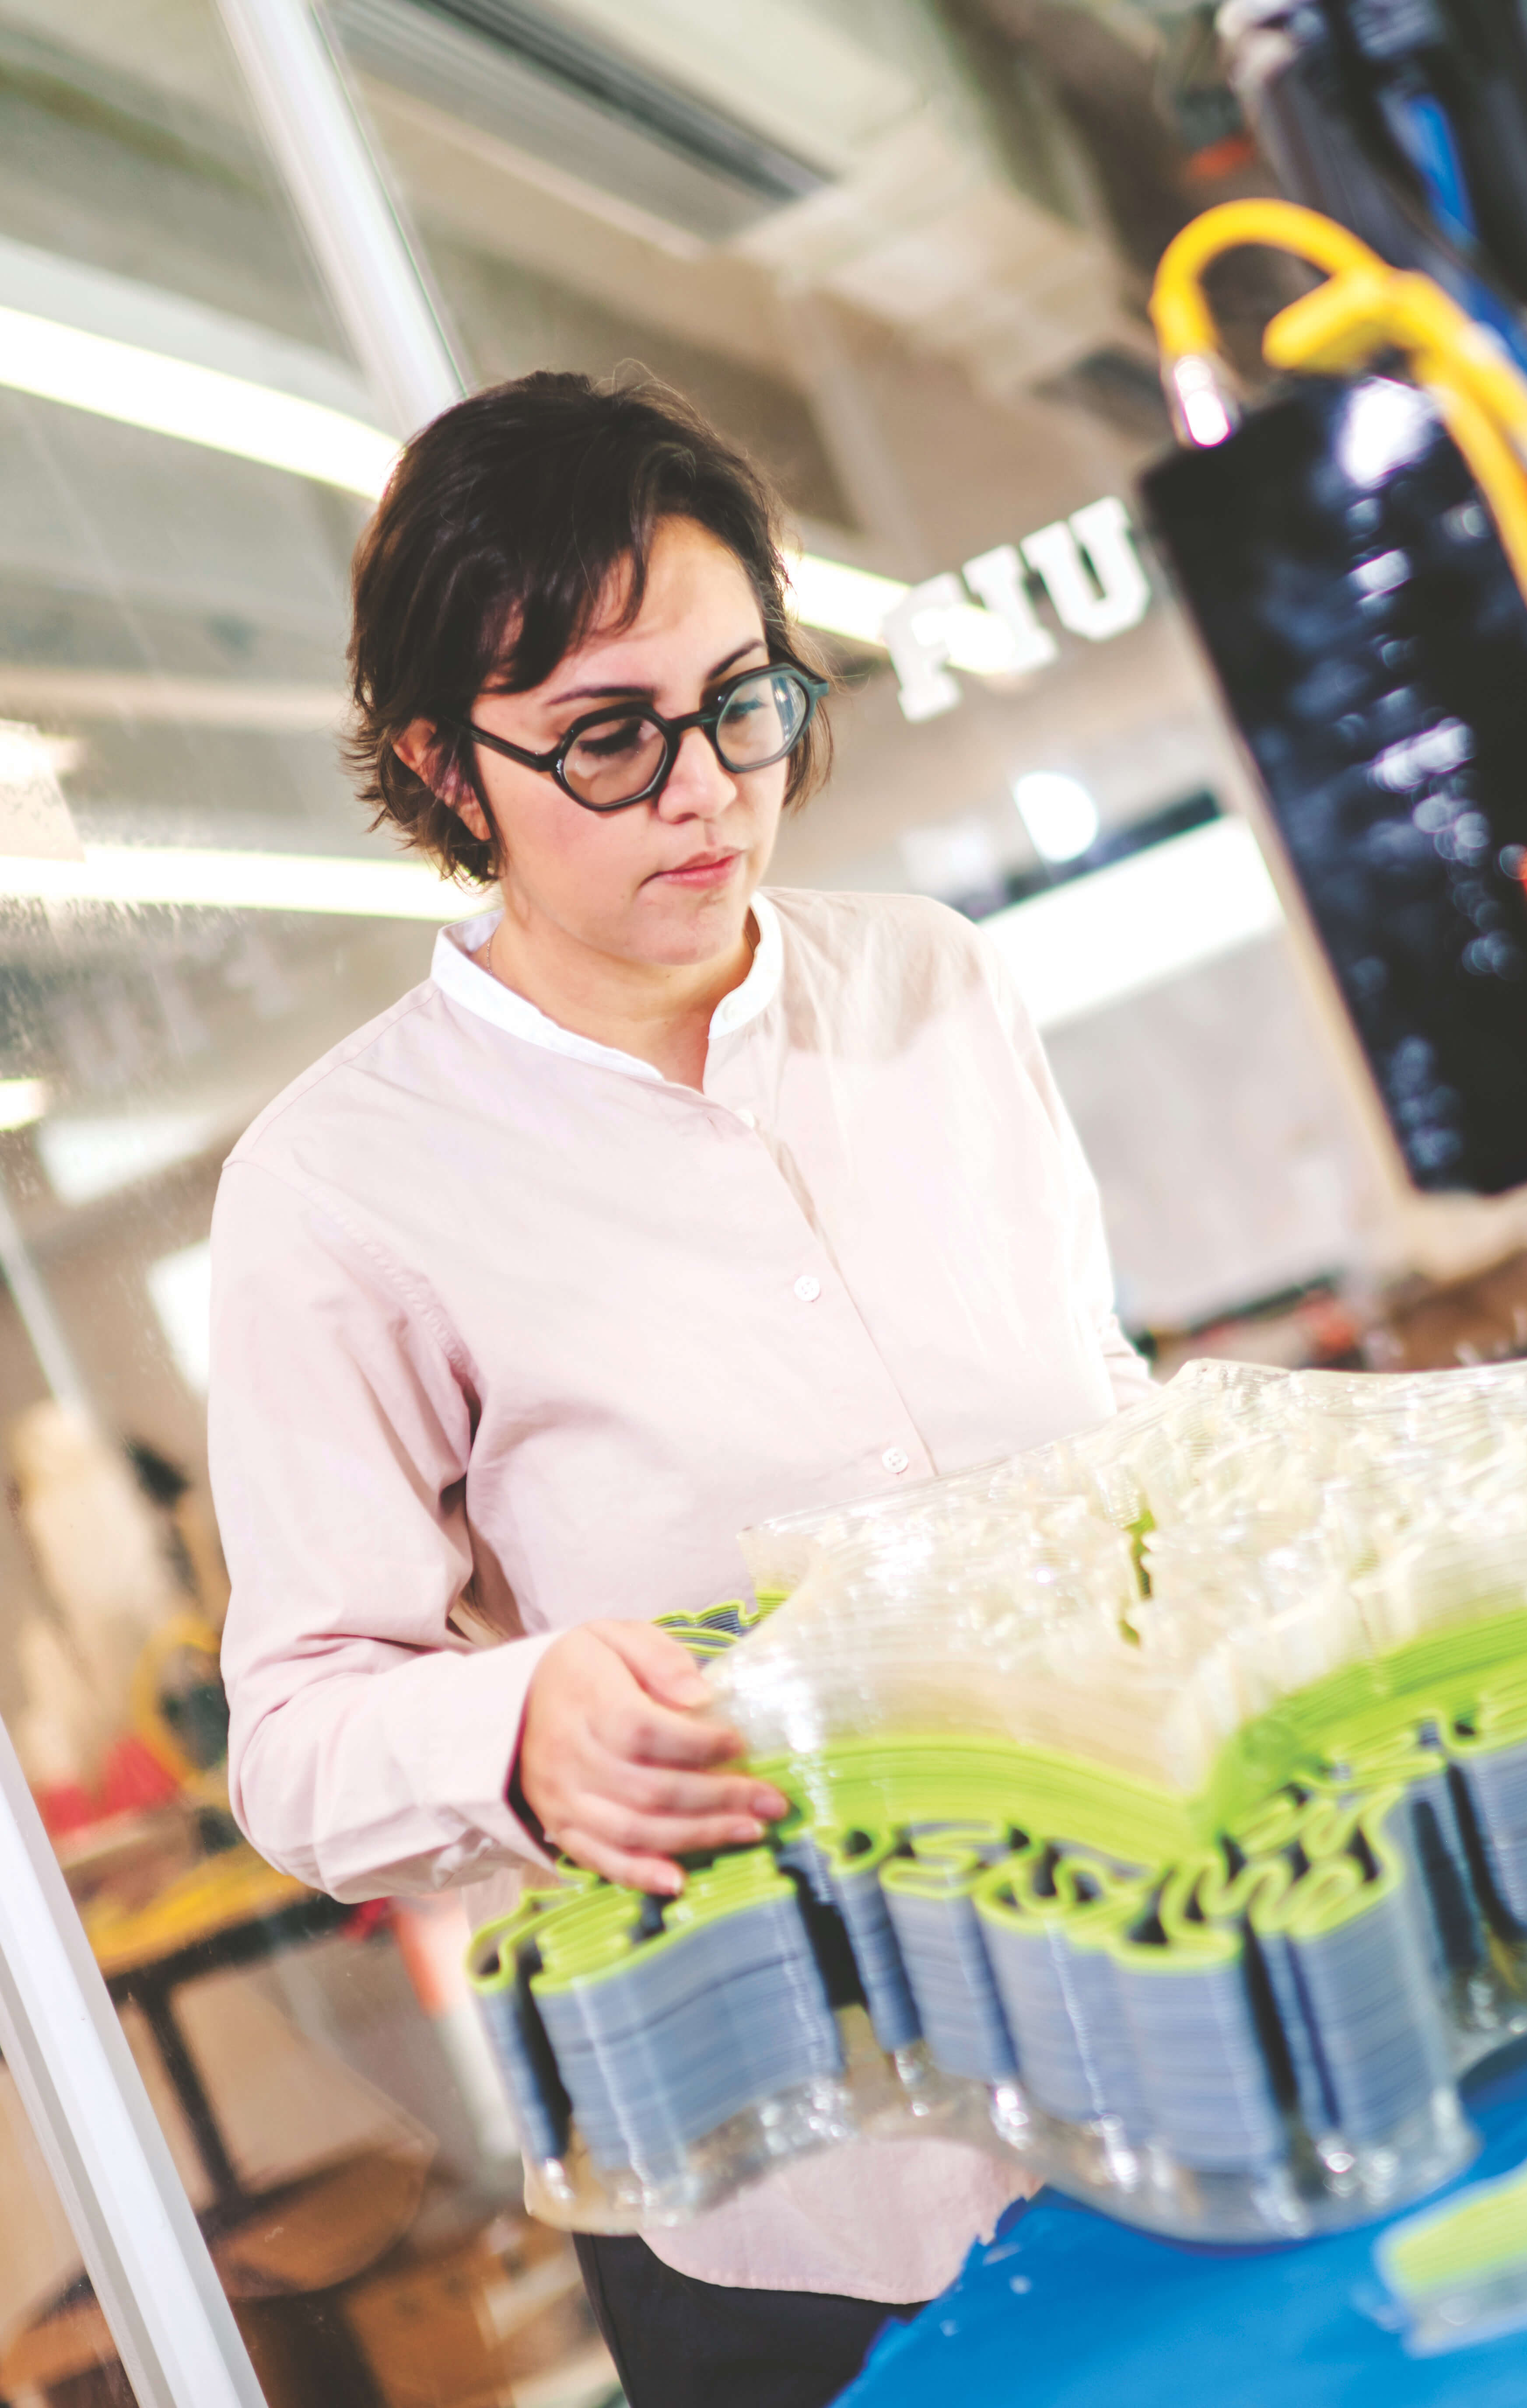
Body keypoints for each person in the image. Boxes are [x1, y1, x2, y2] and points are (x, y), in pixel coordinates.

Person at [209, 371, 1153, 2408]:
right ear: (443, 772)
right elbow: (293, 1738)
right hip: (798, 2197)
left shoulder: (931, 985)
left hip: (1163, 2021)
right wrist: (517, 1716)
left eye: (743, 703)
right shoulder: (342, 1181)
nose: (706, 790)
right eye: (607, 740)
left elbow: (1088, 1399)